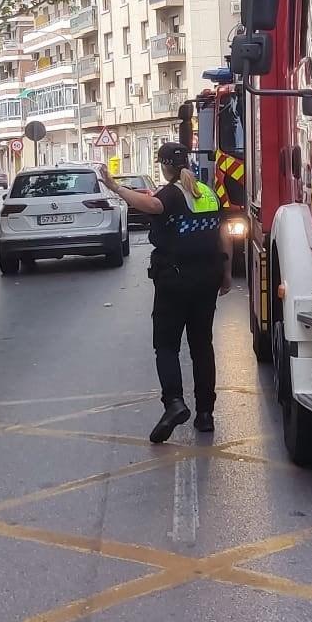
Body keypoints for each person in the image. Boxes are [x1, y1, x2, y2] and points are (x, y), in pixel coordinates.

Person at [104, 143, 229, 443]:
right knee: (202, 346)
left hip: (175, 280)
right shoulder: (208, 192)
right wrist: (226, 273)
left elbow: (152, 206)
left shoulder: (172, 193)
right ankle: (205, 414)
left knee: (167, 345)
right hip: (207, 278)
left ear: (164, 166)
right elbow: (224, 236)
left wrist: (115, 187)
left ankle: (173, 403)